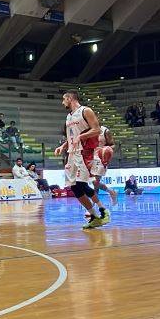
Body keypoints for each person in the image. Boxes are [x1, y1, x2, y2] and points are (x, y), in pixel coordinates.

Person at [55, 90, 109, 229]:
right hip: (72, 154)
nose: (62, 102)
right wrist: (63, 145)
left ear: (69, 98)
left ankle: (103, 211)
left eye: (63, 99)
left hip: (84, 152)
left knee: (82, 184)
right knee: (74, 187)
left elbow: (96, 130)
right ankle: (94, 216)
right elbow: (72, 136)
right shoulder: (68, 117)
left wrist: (81, 137)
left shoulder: (86, 111)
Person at [90, 125, 118, 205]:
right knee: (93, 181)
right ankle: (111, 191)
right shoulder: (87, 130)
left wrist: (105, 150)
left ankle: (93, 204)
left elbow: (113, 145)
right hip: (90, 157)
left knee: (96, 182)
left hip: (101, 158)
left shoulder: (105, 131)